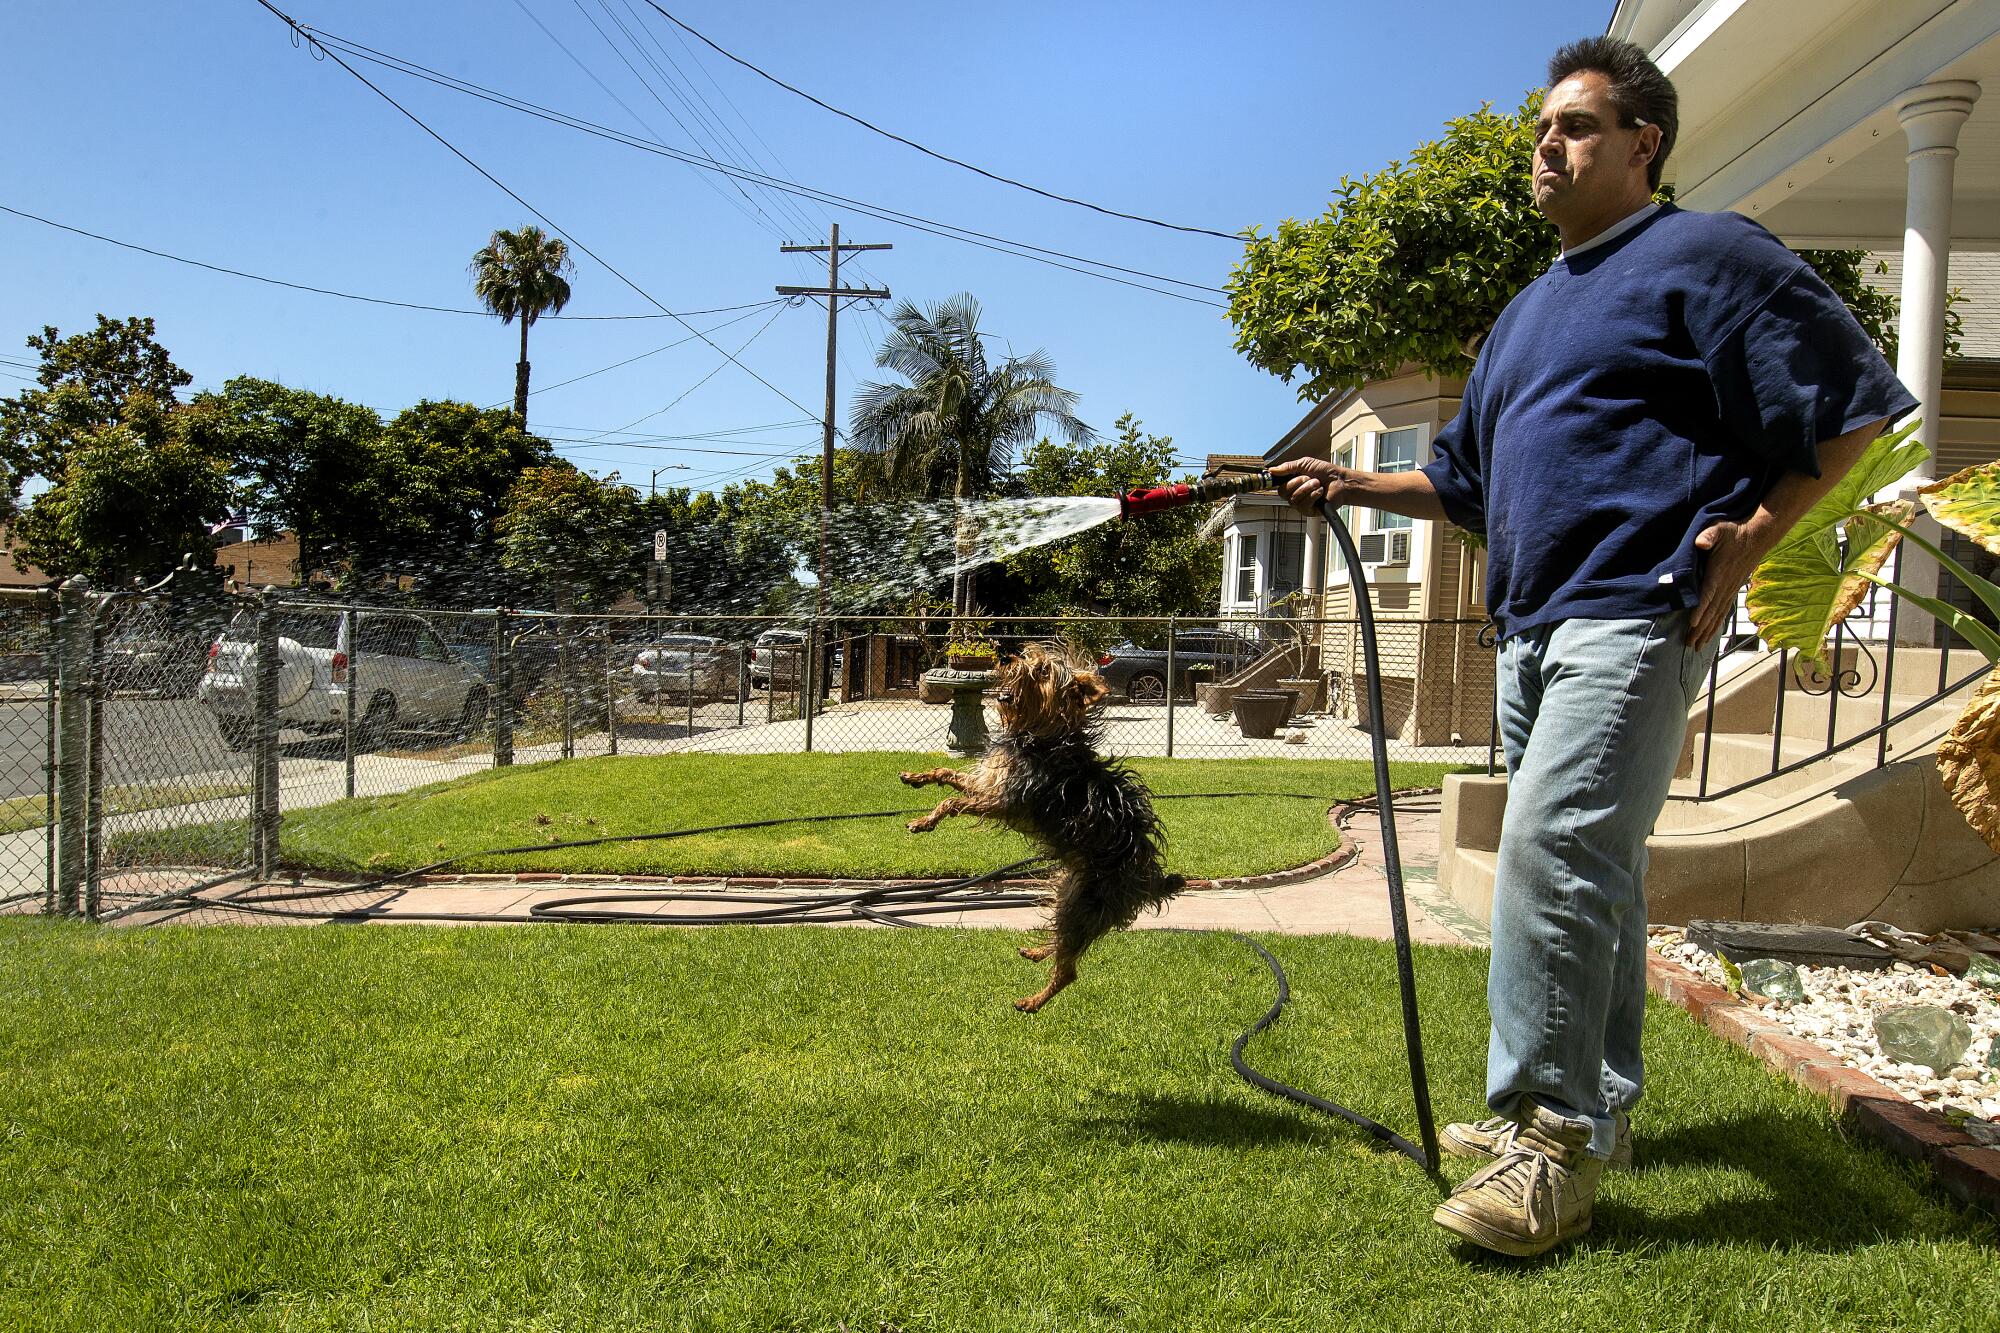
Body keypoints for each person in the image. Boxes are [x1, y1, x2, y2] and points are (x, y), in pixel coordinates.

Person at [1272, 35, 1917, 1258]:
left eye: (1572, 127)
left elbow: (1856, 413)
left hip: (1633, 613)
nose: (1545, 148)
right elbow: (1463, 478)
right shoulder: (1524, 312)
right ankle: (1594, 1104)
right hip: (1525, 626)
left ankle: (1549, 1135)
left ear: (1641, 143)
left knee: (1551, 853)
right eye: (1538, 130)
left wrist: (1751, 543)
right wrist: (1354, 489)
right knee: (1595, 877)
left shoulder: (1710, 256)